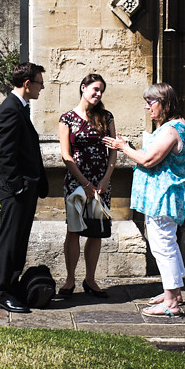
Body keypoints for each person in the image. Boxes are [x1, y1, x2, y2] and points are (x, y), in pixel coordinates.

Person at [104, 82, 185, 317]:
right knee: (167, 244)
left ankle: (171, 303)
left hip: (163, 199)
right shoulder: (174, 126)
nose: (147, 107)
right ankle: (174, 292)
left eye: (150, 102)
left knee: (163, 247)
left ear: (165, 103)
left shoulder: (172, 130)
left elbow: (148, 160)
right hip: (161, 198)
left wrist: (123, 147)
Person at [0, 62, 49, 313]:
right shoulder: (10, 110)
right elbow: (4, 155)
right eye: (39, 82)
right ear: (27, 84)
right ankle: (2, 292)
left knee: (19, 241)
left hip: (26, 189)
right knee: (10, 241)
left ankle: (12, 286)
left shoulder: (20, 107)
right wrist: (17, 188)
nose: (42, 87)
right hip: (17, 191)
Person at [57, 73, 116, 299]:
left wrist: (106, 179)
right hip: (76, 182)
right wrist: (85, 183)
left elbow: (113, 152)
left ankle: (90, 279)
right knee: (74, 230)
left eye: (101, 90)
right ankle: (70, 279)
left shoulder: (107, 117)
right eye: (95, 89)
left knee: (96, 232)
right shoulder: (67, 119)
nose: (98, 94)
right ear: (83, 88)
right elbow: (65, 155)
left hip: (102, 183)